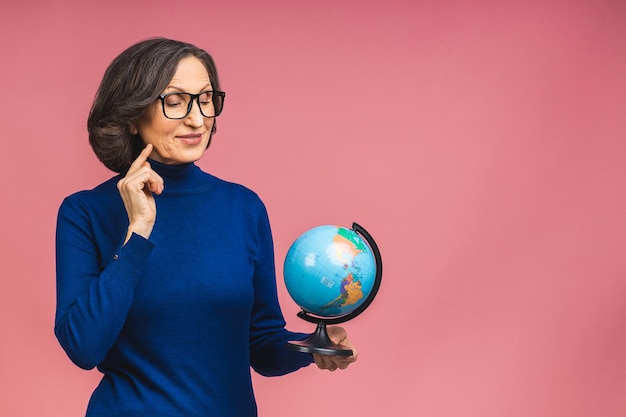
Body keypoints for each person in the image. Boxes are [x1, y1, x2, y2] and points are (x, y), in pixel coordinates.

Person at [54, 37, 357, 417]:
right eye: (175, 101)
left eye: (206, 98)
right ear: (131, 116)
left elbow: (261, 345)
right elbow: (83, 347)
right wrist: (138, 232)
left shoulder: (243, 207)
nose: (197, 119)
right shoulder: (84, 212)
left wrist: (313, 346)